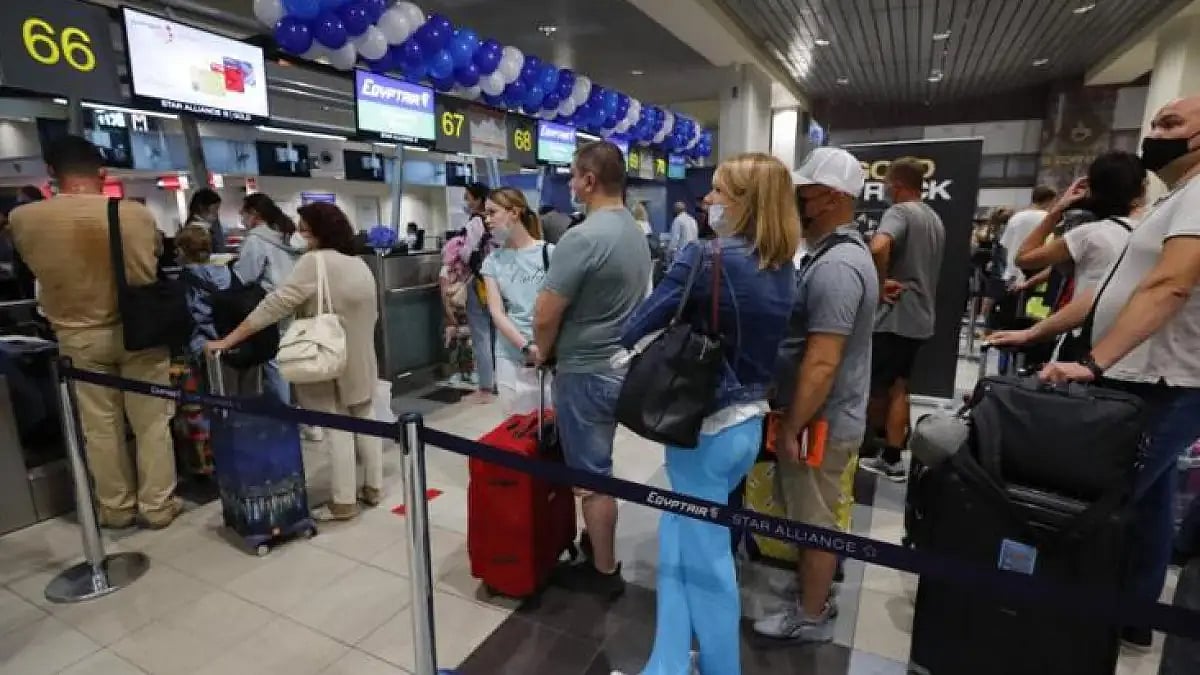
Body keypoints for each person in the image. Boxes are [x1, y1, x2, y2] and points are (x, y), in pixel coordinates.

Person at [613, 153, 796, 673]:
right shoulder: (783, 266)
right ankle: (667, 661)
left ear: (746, 202)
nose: (708, 201)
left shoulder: (707, 256)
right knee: (679, 541)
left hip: (708, 429)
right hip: (748, 422)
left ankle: (720, 668)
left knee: (709, 563)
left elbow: (642, 322)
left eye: (719, 192)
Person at [1034, 95, 1200, 651]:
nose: (1156, 131)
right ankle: (1129, 615)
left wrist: (1095, 360)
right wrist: (1036, 333)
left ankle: (1071, 625)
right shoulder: (1173, 199)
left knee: (1099, 500)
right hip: (1144, 377)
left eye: (1173, 123)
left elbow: (1170, 286)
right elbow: (1115, 291)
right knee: (1148, 506)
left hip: (1158, 382)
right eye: (1156, 121)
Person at [10, 135, 179, 528]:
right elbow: (149, 266)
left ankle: (115, 509)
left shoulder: (25, 219)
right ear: (102, 174)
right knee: (151, 422)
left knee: (99, 428)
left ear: (51, 174)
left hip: (77, 337)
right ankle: (157, 505)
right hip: (139, 331)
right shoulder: (133, 214)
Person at [752, 148, 879, 644]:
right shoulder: (836, 256)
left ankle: (810, 615)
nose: (793, 200)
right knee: (811, 516)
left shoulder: (837, 267)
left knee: (816, 519)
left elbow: (822, 361)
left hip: (820, 421)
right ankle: (812, 596)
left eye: (801, 192)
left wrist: (792, 426)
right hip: (822, 415)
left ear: (829, 197)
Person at [207, 203, 383, 522]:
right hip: (361, 355)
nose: (298, 234)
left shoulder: (313, 262)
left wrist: (229, 339)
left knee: (337, 427)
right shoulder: (359, 263)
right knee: (364, 418)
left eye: (304, 228)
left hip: (328, 356)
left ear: (319, 231)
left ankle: (344, 501)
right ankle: (372, 487)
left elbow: (274, 305)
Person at [533, 141, 652, 597]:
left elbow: (546, 313)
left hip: (583, 372)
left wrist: (542, 352)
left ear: (589, 180)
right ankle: (596, 547)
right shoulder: (632, 230)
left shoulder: (582, 238)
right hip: (618, 365)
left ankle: (603, 570)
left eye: (572, 176)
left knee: (592, 480)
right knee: (599, 468)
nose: (568, 183)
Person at [1007, 152, 1146, 359]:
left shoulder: (1089, 235)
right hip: (1132, 339)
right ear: (1142, 189)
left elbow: (1024, 257)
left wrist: (1058, 209)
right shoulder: (1154, 231)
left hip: (1084, 333)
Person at [858, 157, 946, 481]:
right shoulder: (934, 218)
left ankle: (875, 450)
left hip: (896, 317)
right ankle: (892, 454)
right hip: (921, 317)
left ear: (895, 185)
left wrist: (878, 284)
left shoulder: (899, 212)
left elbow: (879, 246)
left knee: (878, 388)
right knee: (899, 387)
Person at [481, 188, 553, 416]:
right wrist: (525, 346)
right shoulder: (493, 261)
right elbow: (497, 311)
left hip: (550, 354)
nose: (487, 220)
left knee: (551, 427)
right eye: (486, 214)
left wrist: (543, 347)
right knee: (513, 427)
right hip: (509, 355)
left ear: (514, 213)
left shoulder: (549, 253)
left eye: (492, 213)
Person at [234, 193, 304, 404]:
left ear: (254, 214)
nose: (242, 219)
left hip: (272, 304)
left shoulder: (256, 239)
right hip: (295, 299)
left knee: (275, 360)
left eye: (243, 214)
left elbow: (245, 275)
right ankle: (307, 414)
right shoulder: (288, 235)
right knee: (297, 357)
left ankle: (285, 415)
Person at [457, 182, 495, 403]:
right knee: (497, 333)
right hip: (498, 282)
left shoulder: (475, 223)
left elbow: (466, 254)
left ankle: (486, 387)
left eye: (468, 197)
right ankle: (500, 379)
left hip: (479, 283)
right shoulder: (497, 222)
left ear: (478, 199)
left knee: (480, 335)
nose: (466, 202)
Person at [185, 188, 227, 254]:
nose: (216, 213)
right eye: (215, 208)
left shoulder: (212, 223)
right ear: (201, 207)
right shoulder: (192, 229)